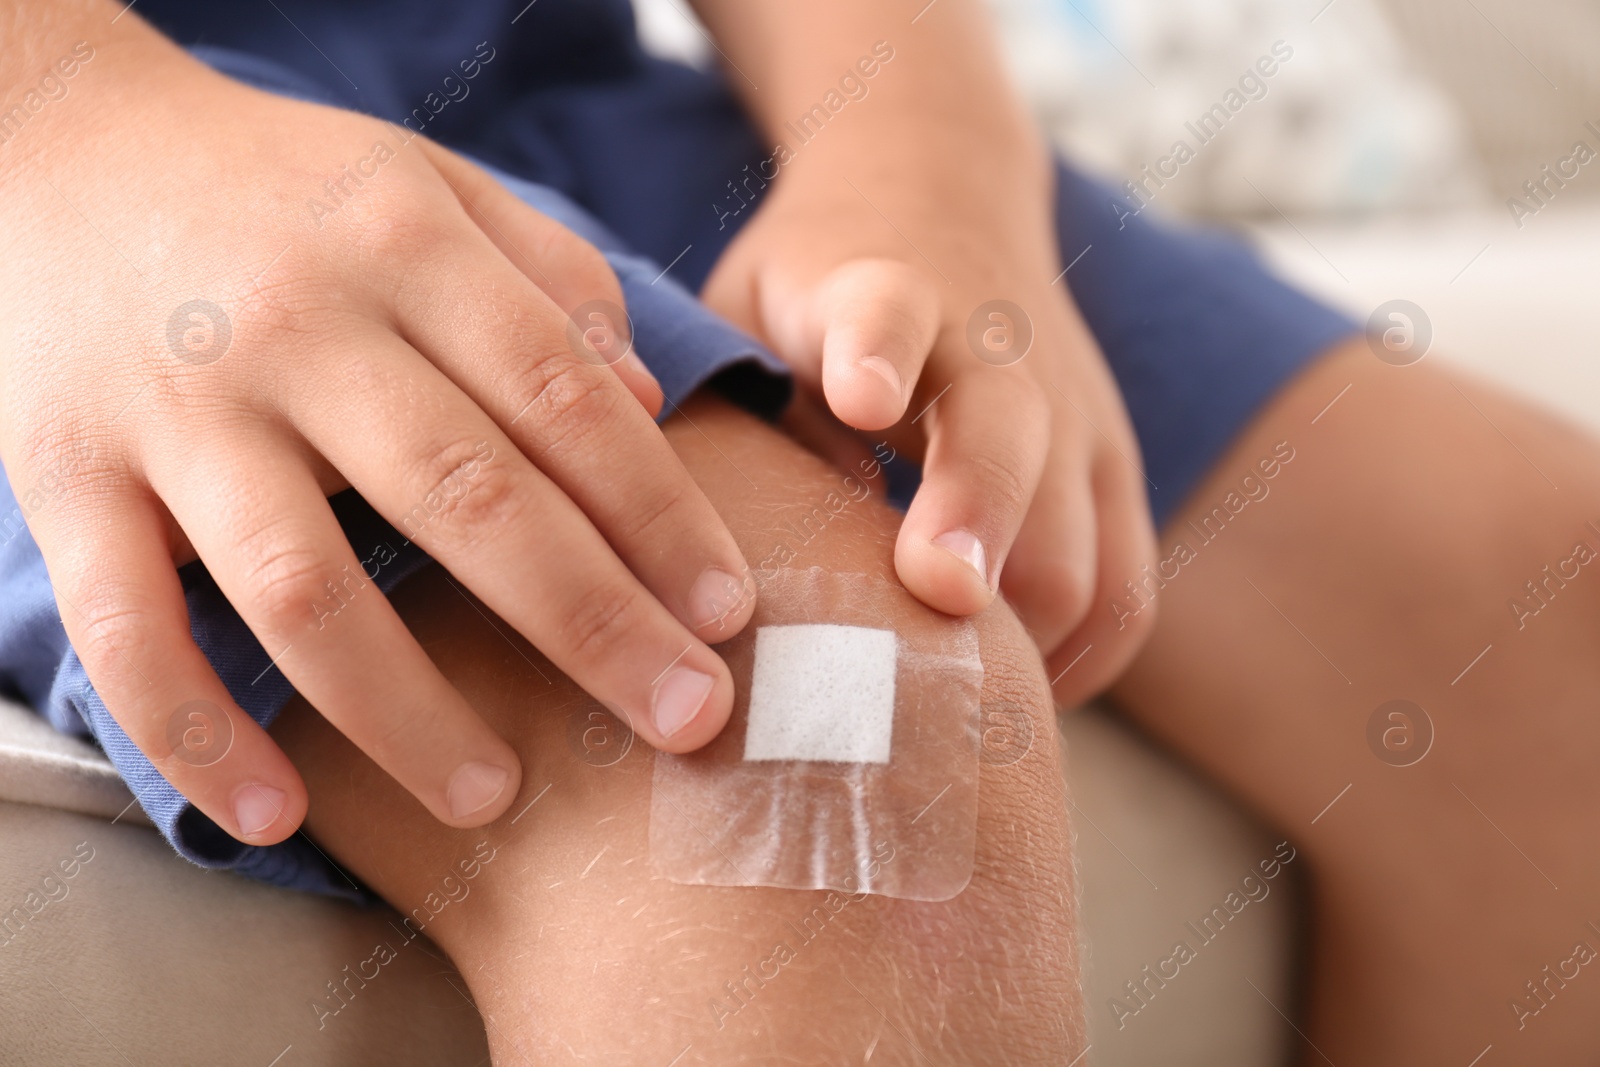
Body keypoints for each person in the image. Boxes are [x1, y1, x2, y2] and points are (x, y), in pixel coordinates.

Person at [3, 0, 1598, 1062]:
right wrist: (54, 138)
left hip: (543, 79)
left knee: (1537, 605)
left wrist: (923, 161)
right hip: (84, 179)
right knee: (781, 723)